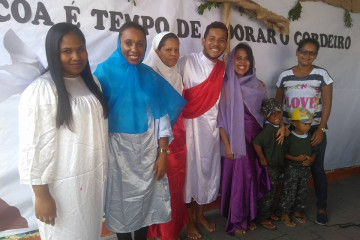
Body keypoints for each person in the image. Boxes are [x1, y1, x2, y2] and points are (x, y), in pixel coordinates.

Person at [94, 22, 186, 240]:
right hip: (117, 156)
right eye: (128, 43)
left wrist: (163, 154)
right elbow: (96, 118)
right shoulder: (103, 74)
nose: (134, 49)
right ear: (119, 43)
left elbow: (162, 117)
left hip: (148, 154)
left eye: (140, 44)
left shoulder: (149, 76)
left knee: (146, 206)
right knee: (121, 207)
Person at [18, 22, 109, 240]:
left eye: (80, 49)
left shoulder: (92, 83)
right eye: (66, 51)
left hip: (91, 182)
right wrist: (41, 195)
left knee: (89, 233)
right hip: (61, 188)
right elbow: (35, 146)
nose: (76, 56)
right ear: (53, 53)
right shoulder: (43, 90)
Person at [177, 21, 227, 239]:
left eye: (221, 39)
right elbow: (170, 88)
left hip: (211, 132)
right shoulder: (187, 62)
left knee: (206, 175)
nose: (216, 43)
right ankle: (188, 222)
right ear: (203, 40)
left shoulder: (224, 69)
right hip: (188, 131)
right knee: (189, 178)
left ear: (226, 44)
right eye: (212, 38)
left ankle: (199, 216)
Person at [275, 37, 333, 225]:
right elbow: (277, 105)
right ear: (297, 52)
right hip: (289, 130)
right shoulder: (284, 76)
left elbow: (327, 104)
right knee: (287, 168)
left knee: (315, 168)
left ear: (316, 55)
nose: (307, 55)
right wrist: (282, 127)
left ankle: (321, 207)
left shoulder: (321, 74)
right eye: (304, 51)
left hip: (313, 129)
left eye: (312, 52)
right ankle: (283, 208)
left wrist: (321, 129)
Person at [217, 42, 271, 235]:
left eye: (246, 58)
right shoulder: (225, 85)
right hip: (236, 142)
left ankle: (248, 216)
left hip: (255, 141)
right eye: (238, 58)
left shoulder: (258, 84)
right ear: (232, 61)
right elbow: (220, 119)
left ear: (251, 61)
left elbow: (266, 112)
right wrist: (227, 144)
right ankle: (238, 221)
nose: (242, 62)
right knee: (241, 179)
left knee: (252, 178)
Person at [144, 32, 189, 240]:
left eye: (176, 49)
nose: (173, 54)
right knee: (160, 186)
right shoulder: (149, 74)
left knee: (176, 184)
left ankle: (172, 229)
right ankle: (159, 232)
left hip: (178, 138)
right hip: (156, 141)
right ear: (156, 50)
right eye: (168, 49)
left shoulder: (177, 75)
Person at [278, 107, 319, 227]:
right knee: (289, 191)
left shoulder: (310, 137)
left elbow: (315, 151)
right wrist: (295, 159)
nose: (308, 126)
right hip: (292, 170)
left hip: (306, 170)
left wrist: (311, 159)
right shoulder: (289, 138)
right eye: (305, 124)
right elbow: (283, 153)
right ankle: (284, 213)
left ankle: (297, 211)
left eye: (310, 124)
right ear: (294, 123)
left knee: (302, 191)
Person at [253, 98, 289, 230]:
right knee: (268, 193)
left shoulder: (279, 126)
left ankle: (267, 213)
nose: (277, 116)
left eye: (279, 113)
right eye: (272, 114)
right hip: (271, 167)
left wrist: (283, 127)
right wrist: (262, 158)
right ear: (266, 116)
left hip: (278, 165)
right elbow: (256, 142)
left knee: (273, 191)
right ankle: (262, 217)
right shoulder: (268, 130)